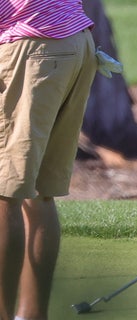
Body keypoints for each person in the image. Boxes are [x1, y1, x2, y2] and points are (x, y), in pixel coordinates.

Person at [0, 1, 98, 319]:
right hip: (73, 39)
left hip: (30, 44)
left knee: (5, 194)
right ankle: (30, 315)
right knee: (40, 194)